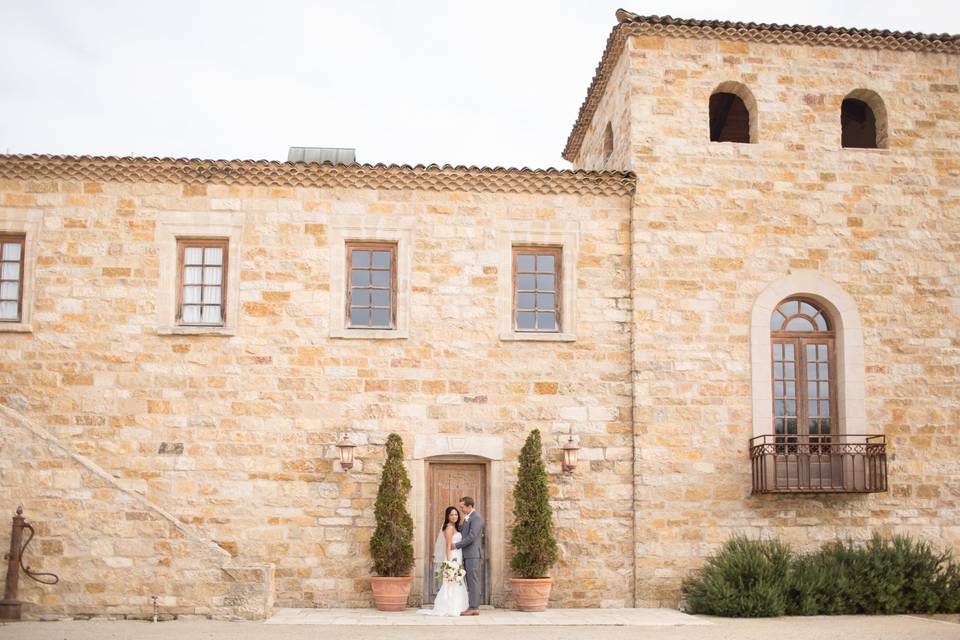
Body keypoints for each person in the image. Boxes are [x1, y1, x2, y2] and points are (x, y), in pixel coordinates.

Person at [418, 506, 469, 616]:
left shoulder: (456, 527)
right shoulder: (449, 527)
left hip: (458, 556)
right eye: (451, 515)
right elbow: (448, 546)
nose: (454, 516)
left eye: (456, 514)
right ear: (447, 516)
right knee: (452, 582)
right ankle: (450, 607)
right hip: (452, 557)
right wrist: (450, 563)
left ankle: (458, 606)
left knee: (457, 582)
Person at [454, 496, 484, 616]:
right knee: (470, 581)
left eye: (462, 507)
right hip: (467, 554)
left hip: (472, 554)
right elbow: (463, 531)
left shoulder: (476, 518)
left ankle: (474, 607)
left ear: (470, 506)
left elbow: (471, 536)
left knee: (473, 581)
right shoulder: (468, 517)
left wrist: (456, 545)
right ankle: (472, 606)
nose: (461, 509)